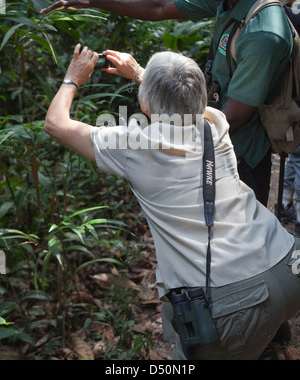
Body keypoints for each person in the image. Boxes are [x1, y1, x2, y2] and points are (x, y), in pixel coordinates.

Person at [44, 42, 300, 360]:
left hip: (232, 295)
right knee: (260, 329)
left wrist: (73, 77)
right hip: (288, 264)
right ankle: (268, 340)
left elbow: (56, 123)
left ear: (144, 103)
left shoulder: (135, 146)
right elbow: (181, 102)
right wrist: (141, 72)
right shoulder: (215, 124)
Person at [40, 0, 294, 207]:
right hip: (213, 142)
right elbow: (159, 7)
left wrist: (152, 144)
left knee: (240, 237)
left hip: (241, 157)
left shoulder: (263, 33)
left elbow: (230, 119)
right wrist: (90, 0)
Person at [266, 0, 300, 234]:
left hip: (290, 101)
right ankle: (293, 212)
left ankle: (287, 205)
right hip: (292, 101)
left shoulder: (279, 17)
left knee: (295, 158)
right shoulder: (287, 15)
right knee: (296, 158)